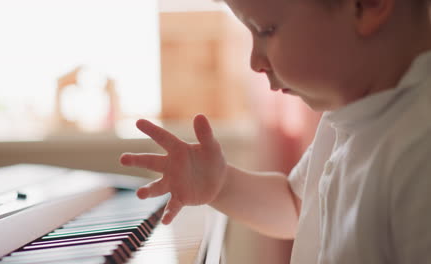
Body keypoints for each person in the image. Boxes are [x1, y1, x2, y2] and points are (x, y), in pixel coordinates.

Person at [120, 0, 431, 262]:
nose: (255, 62)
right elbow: (297, 207)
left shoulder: (418, 146)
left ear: (366, 6)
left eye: (266, 30)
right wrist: (221, 184)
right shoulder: (345, 120)